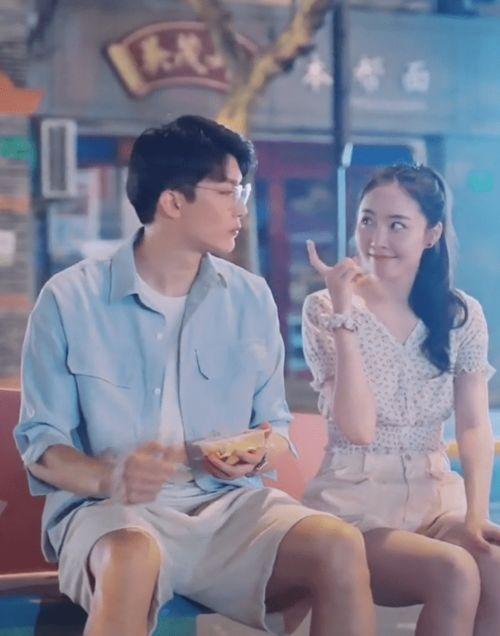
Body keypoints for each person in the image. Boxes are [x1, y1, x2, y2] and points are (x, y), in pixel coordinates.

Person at [14, 115, 375, 636]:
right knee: (129, 560)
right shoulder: (69, 299)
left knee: (338, 545)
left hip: (228, 506)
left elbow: (275, 426)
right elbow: (41, 445)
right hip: (111, 511)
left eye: (242, 191)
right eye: (228, 192)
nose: (241, 209)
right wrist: (109, 476)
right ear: (172, 201)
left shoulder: (250, 297)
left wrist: (257, 452)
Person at [302, 164, 500, 636]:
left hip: (437, 500)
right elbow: (358, 429)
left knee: (494, 564)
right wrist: (345, 314)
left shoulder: (461, 314)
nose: (377, 239)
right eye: (367, 220)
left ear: (431, 234)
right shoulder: (324, 307)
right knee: (453, 570)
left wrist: (476, 516)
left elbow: (474, 425)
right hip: (356, 505)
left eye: (397, 225)